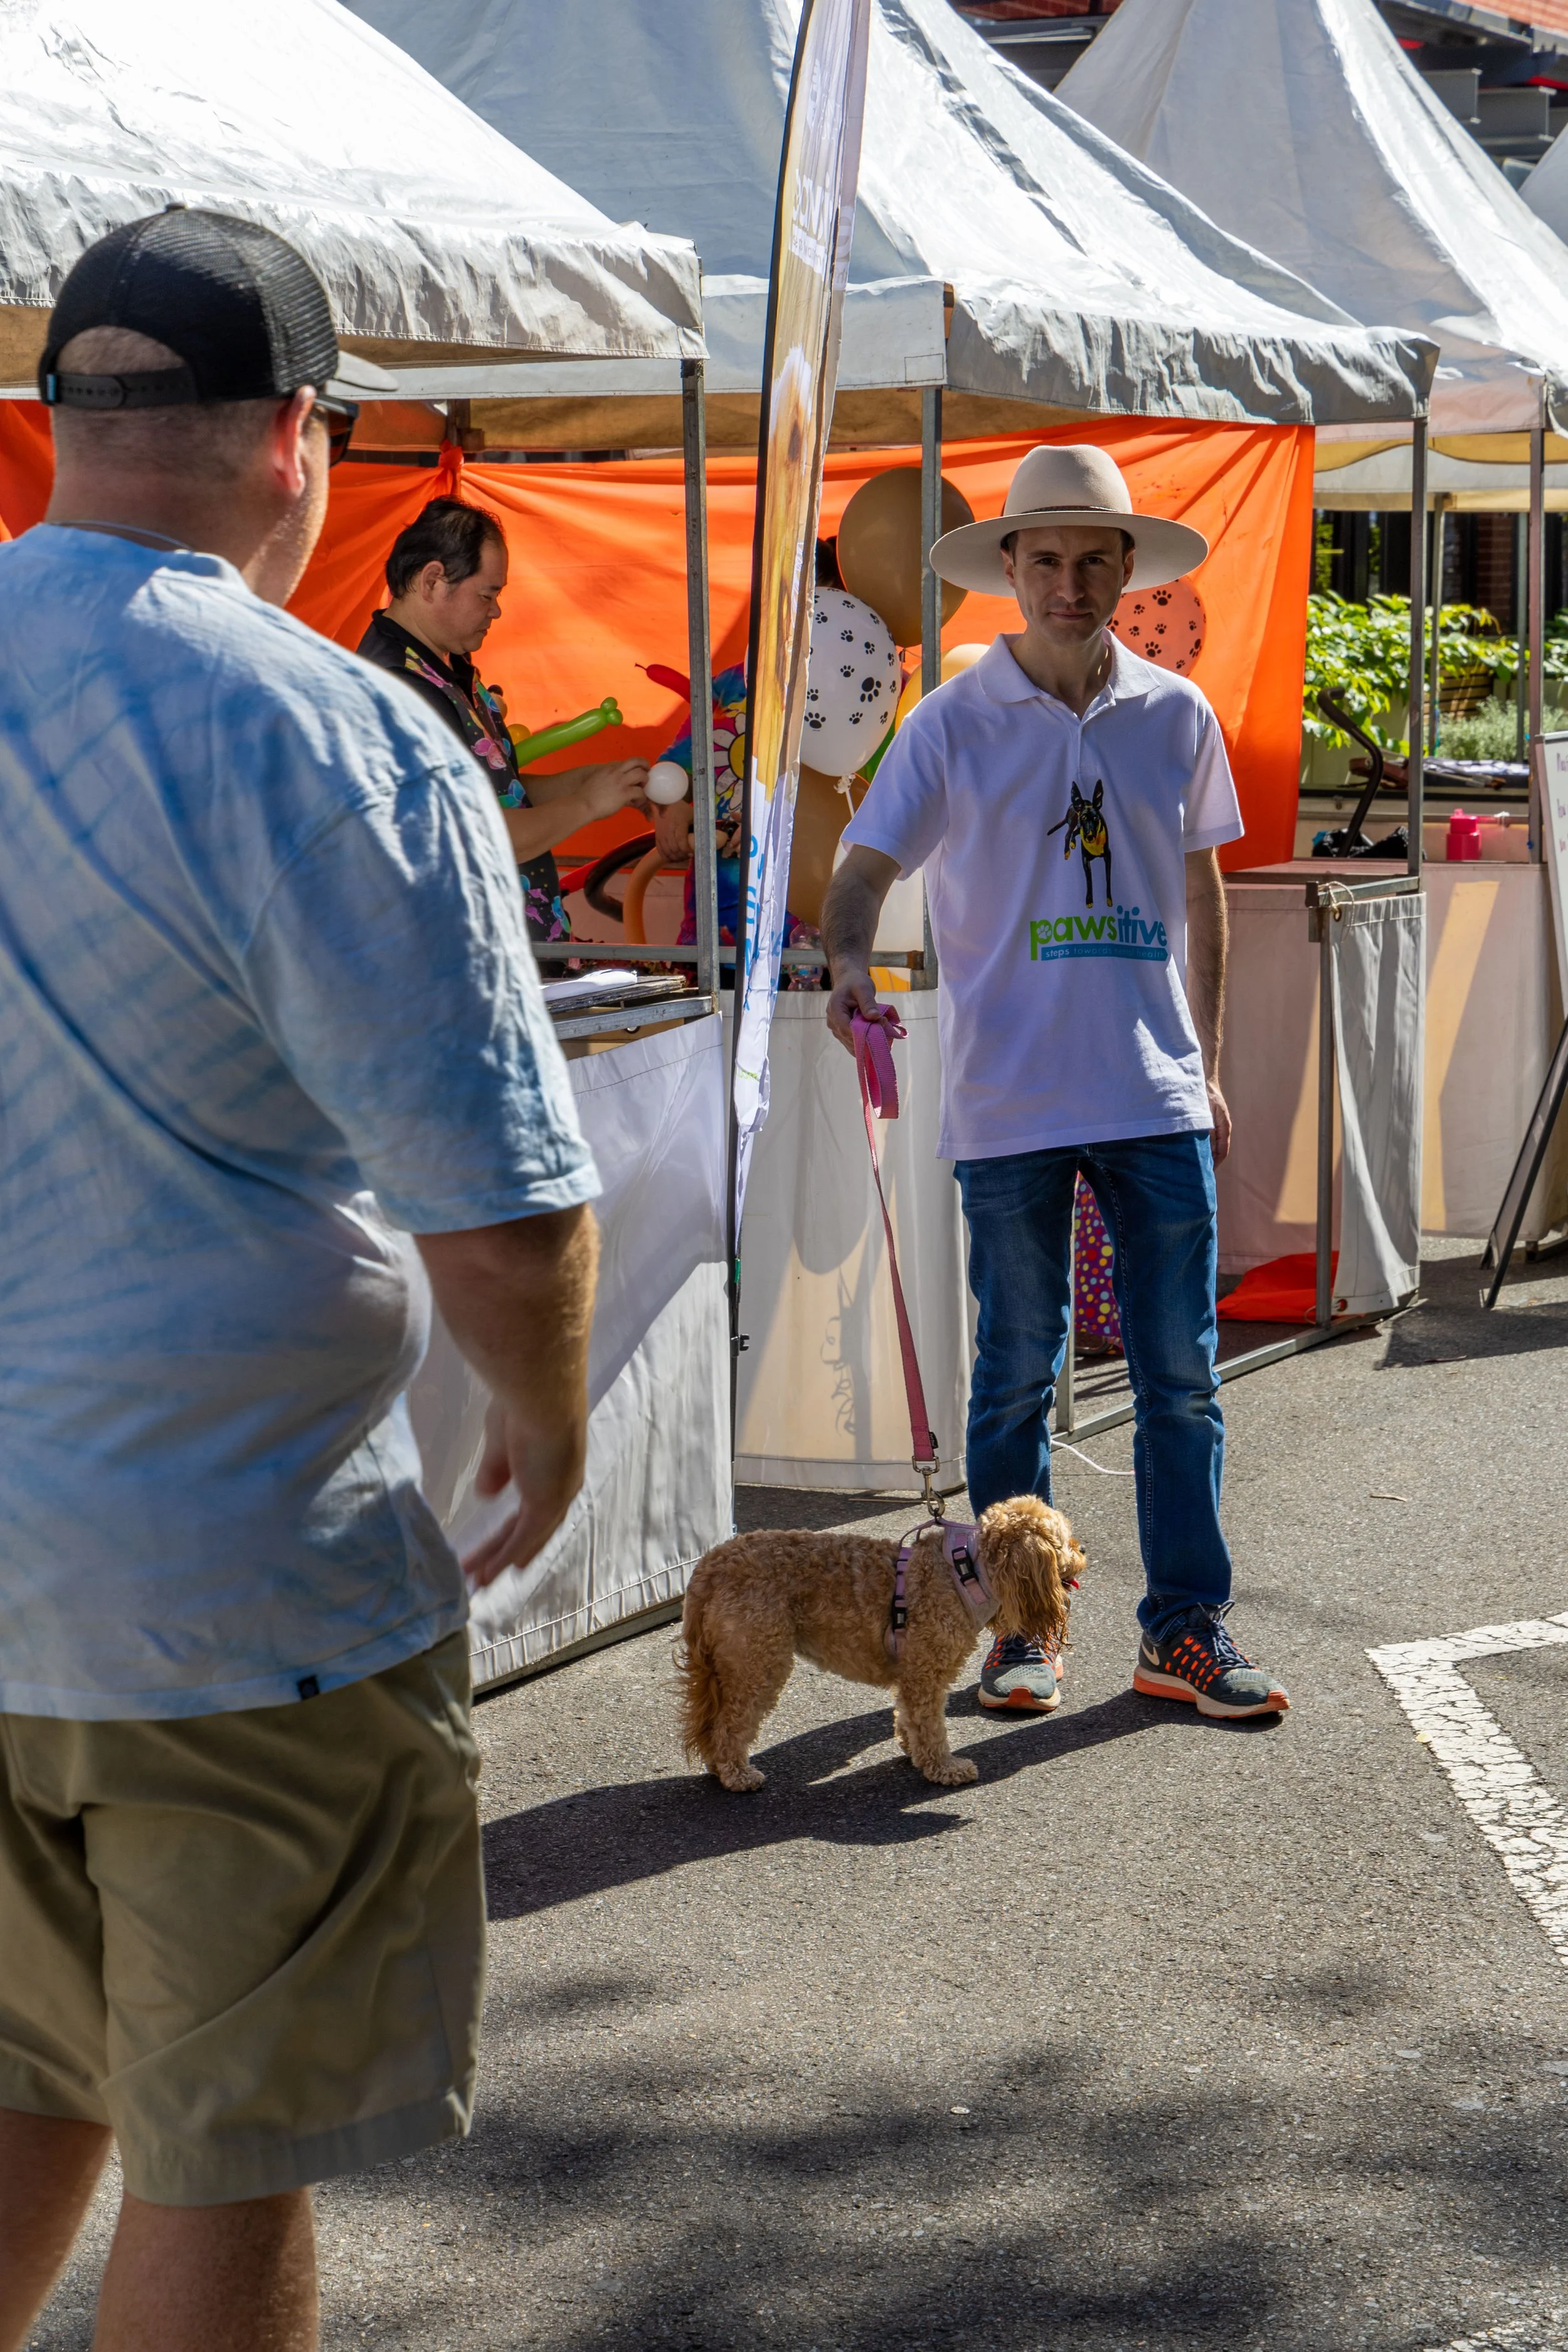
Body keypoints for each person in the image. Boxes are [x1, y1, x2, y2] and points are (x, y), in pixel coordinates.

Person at [0, 210, 601, 2351]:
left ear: (58, 420)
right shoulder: (330, 733)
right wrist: (548, 1412)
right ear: (303, 442)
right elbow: (503, 1210)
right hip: (232, 1577)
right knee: (224, 2147)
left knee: (25, 2072)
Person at [823, 443, 1290, 1723]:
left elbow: (1199, 899)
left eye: (1092, 559)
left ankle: (1182, 1631)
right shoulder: (953, 720)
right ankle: (1018, 1636)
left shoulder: (1174, 715)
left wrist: (1200, 1066)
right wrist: (848, 962)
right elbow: (862, 869)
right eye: (1045, 559)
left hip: (1150, 1096)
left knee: (1179, 1376)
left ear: (1123, 569)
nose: (1069, 581)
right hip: (1011, 1101)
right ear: (1009, 571)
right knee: (1013, 1375)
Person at [358, 498, 650, 940]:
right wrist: (588, 803)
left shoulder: (447, 665)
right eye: (487, 594)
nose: (496, 610)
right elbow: (483, 832)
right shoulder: (399, 686)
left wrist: (602, 781)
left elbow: (504, 792)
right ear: (433, 581)